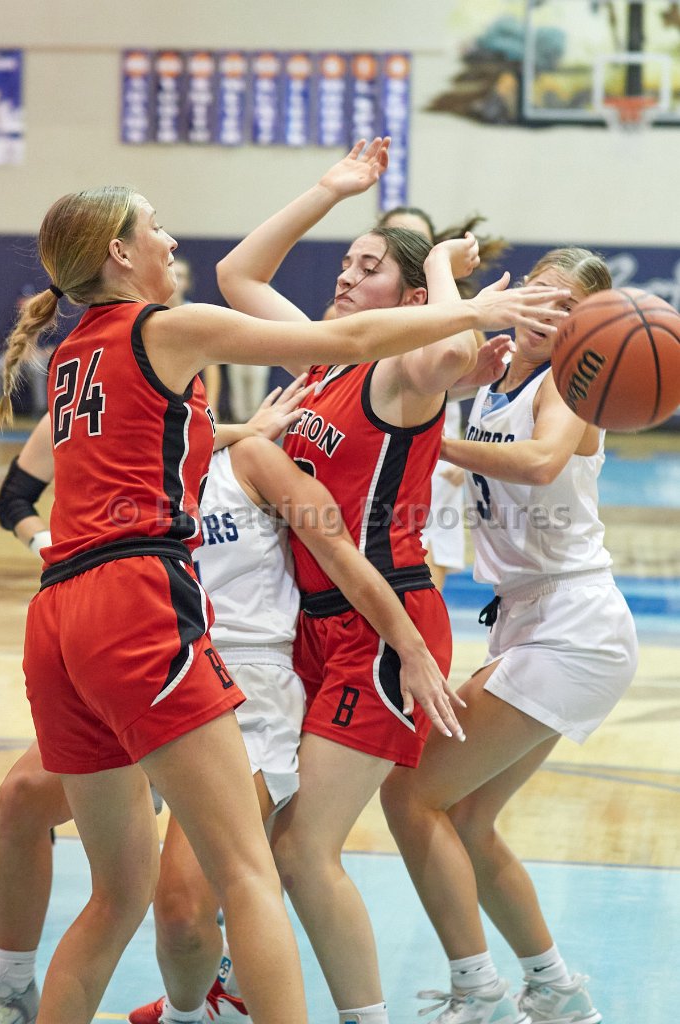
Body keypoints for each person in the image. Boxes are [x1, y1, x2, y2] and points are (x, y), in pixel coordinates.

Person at [0, 138, 567, 1024]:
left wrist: (371, 232)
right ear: (119, 252)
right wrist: (472, 304)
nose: (169, 239)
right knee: (250, 871)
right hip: (138, 602)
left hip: (65, 613)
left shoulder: (75, 352)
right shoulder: (170, 329)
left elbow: (162, 441)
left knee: (121, 895)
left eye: (367, 264)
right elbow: (341, 334)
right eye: (155, 227)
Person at [215, 141, 570, 1024]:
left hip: (383, 627)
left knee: (302, 850)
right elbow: (235, 275)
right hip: (311, 622)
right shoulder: (324, 356)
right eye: (345, 261)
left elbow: (449, 347)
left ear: (410, 299)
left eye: (367, 267)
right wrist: (328, 190)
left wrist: (444, 266)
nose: (345, 276)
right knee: (268, 841)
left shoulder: (403, 372)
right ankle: (236, 990)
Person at [0, 403, 458, 1024]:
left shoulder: (252, 461)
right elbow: (22, 499)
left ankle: (194, 1010)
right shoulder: (135, 470)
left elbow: (341, 553)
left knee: (183, 912)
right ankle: (11, 984)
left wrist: (411, 644)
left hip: (247, 679)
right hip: (146, 658)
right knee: (20, 796)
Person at [379, 247, 639, 1024]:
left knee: (409, 795)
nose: (545, 312)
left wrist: (427, 437)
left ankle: (477, 990)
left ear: (587, 328)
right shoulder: (495, 381)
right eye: (537, 294)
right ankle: (554, 988)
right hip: (531, 619)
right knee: (463, 817)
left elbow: (537, 461)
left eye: (566, 306)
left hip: (572, 625)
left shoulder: (573, 383)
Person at [376, 207, 510, 592]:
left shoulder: (453, 310)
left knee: (422, 584)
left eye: (416, 240)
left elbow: (483, 383)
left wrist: (464, 452)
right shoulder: (347, 311)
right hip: (371, 452)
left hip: (432, 456)